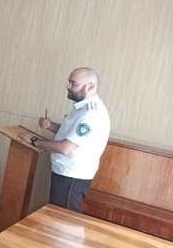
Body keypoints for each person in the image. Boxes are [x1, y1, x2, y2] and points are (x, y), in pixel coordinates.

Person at [19, 67, 110, 213]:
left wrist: (34, 140)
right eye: (69, 82)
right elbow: (69, 133)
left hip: (71, 178)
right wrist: (50, 126)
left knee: (64, 221)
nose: (68, 86)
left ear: (90, 86)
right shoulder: (81, 107)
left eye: (73, 83)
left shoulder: (91, 114)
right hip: (66, 174)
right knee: (57, 218)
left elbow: (65, 148)